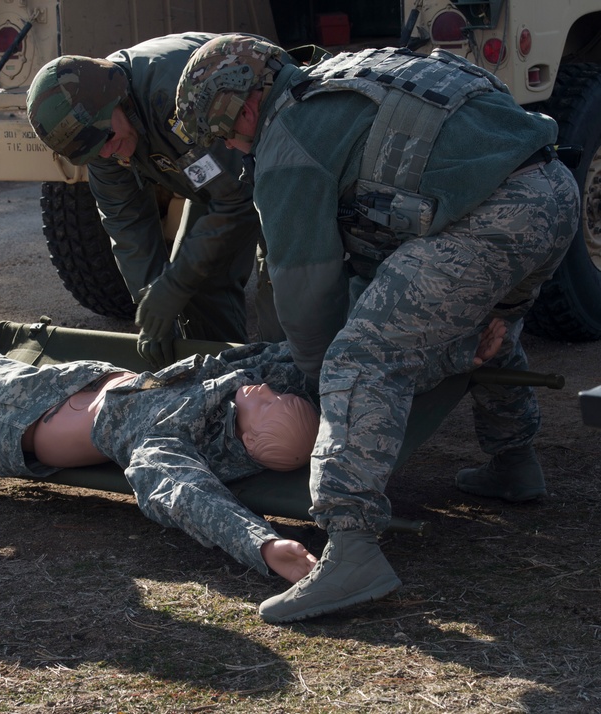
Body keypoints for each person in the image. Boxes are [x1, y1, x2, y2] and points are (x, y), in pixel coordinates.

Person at [174, 36, 580, 622]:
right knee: (473, 322)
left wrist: (321, 389)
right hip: (552, 188)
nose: (232, 147)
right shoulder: (348, 75)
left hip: (493, 215)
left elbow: (307, 297)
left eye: (226, 135)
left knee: (357, 359)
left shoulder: (287, 143)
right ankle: (514, 462)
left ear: (243, 108)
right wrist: (506, 306)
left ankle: (351, 547)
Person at [0, 312, 322, 583]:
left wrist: (263, 545)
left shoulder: (167, 441)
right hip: (72, 381)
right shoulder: (241, 392)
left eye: (273, 403)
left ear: (251, 439)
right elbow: (279, 359)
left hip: (12, 418)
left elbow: (189, 497)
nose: (269, 391)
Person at [26, 33, 280, 369]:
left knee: (282, 289)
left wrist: (173, 284)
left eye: (106, 140)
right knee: (194, 291)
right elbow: (126, 221)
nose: (105, 152)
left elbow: (239, 197)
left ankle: (300, 397)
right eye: (90, 151)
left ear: (117, 99)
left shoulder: (175, 93)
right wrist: (153, 301)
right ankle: (228, 380)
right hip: (215, 180)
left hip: (270, 165)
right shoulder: (98, 133)